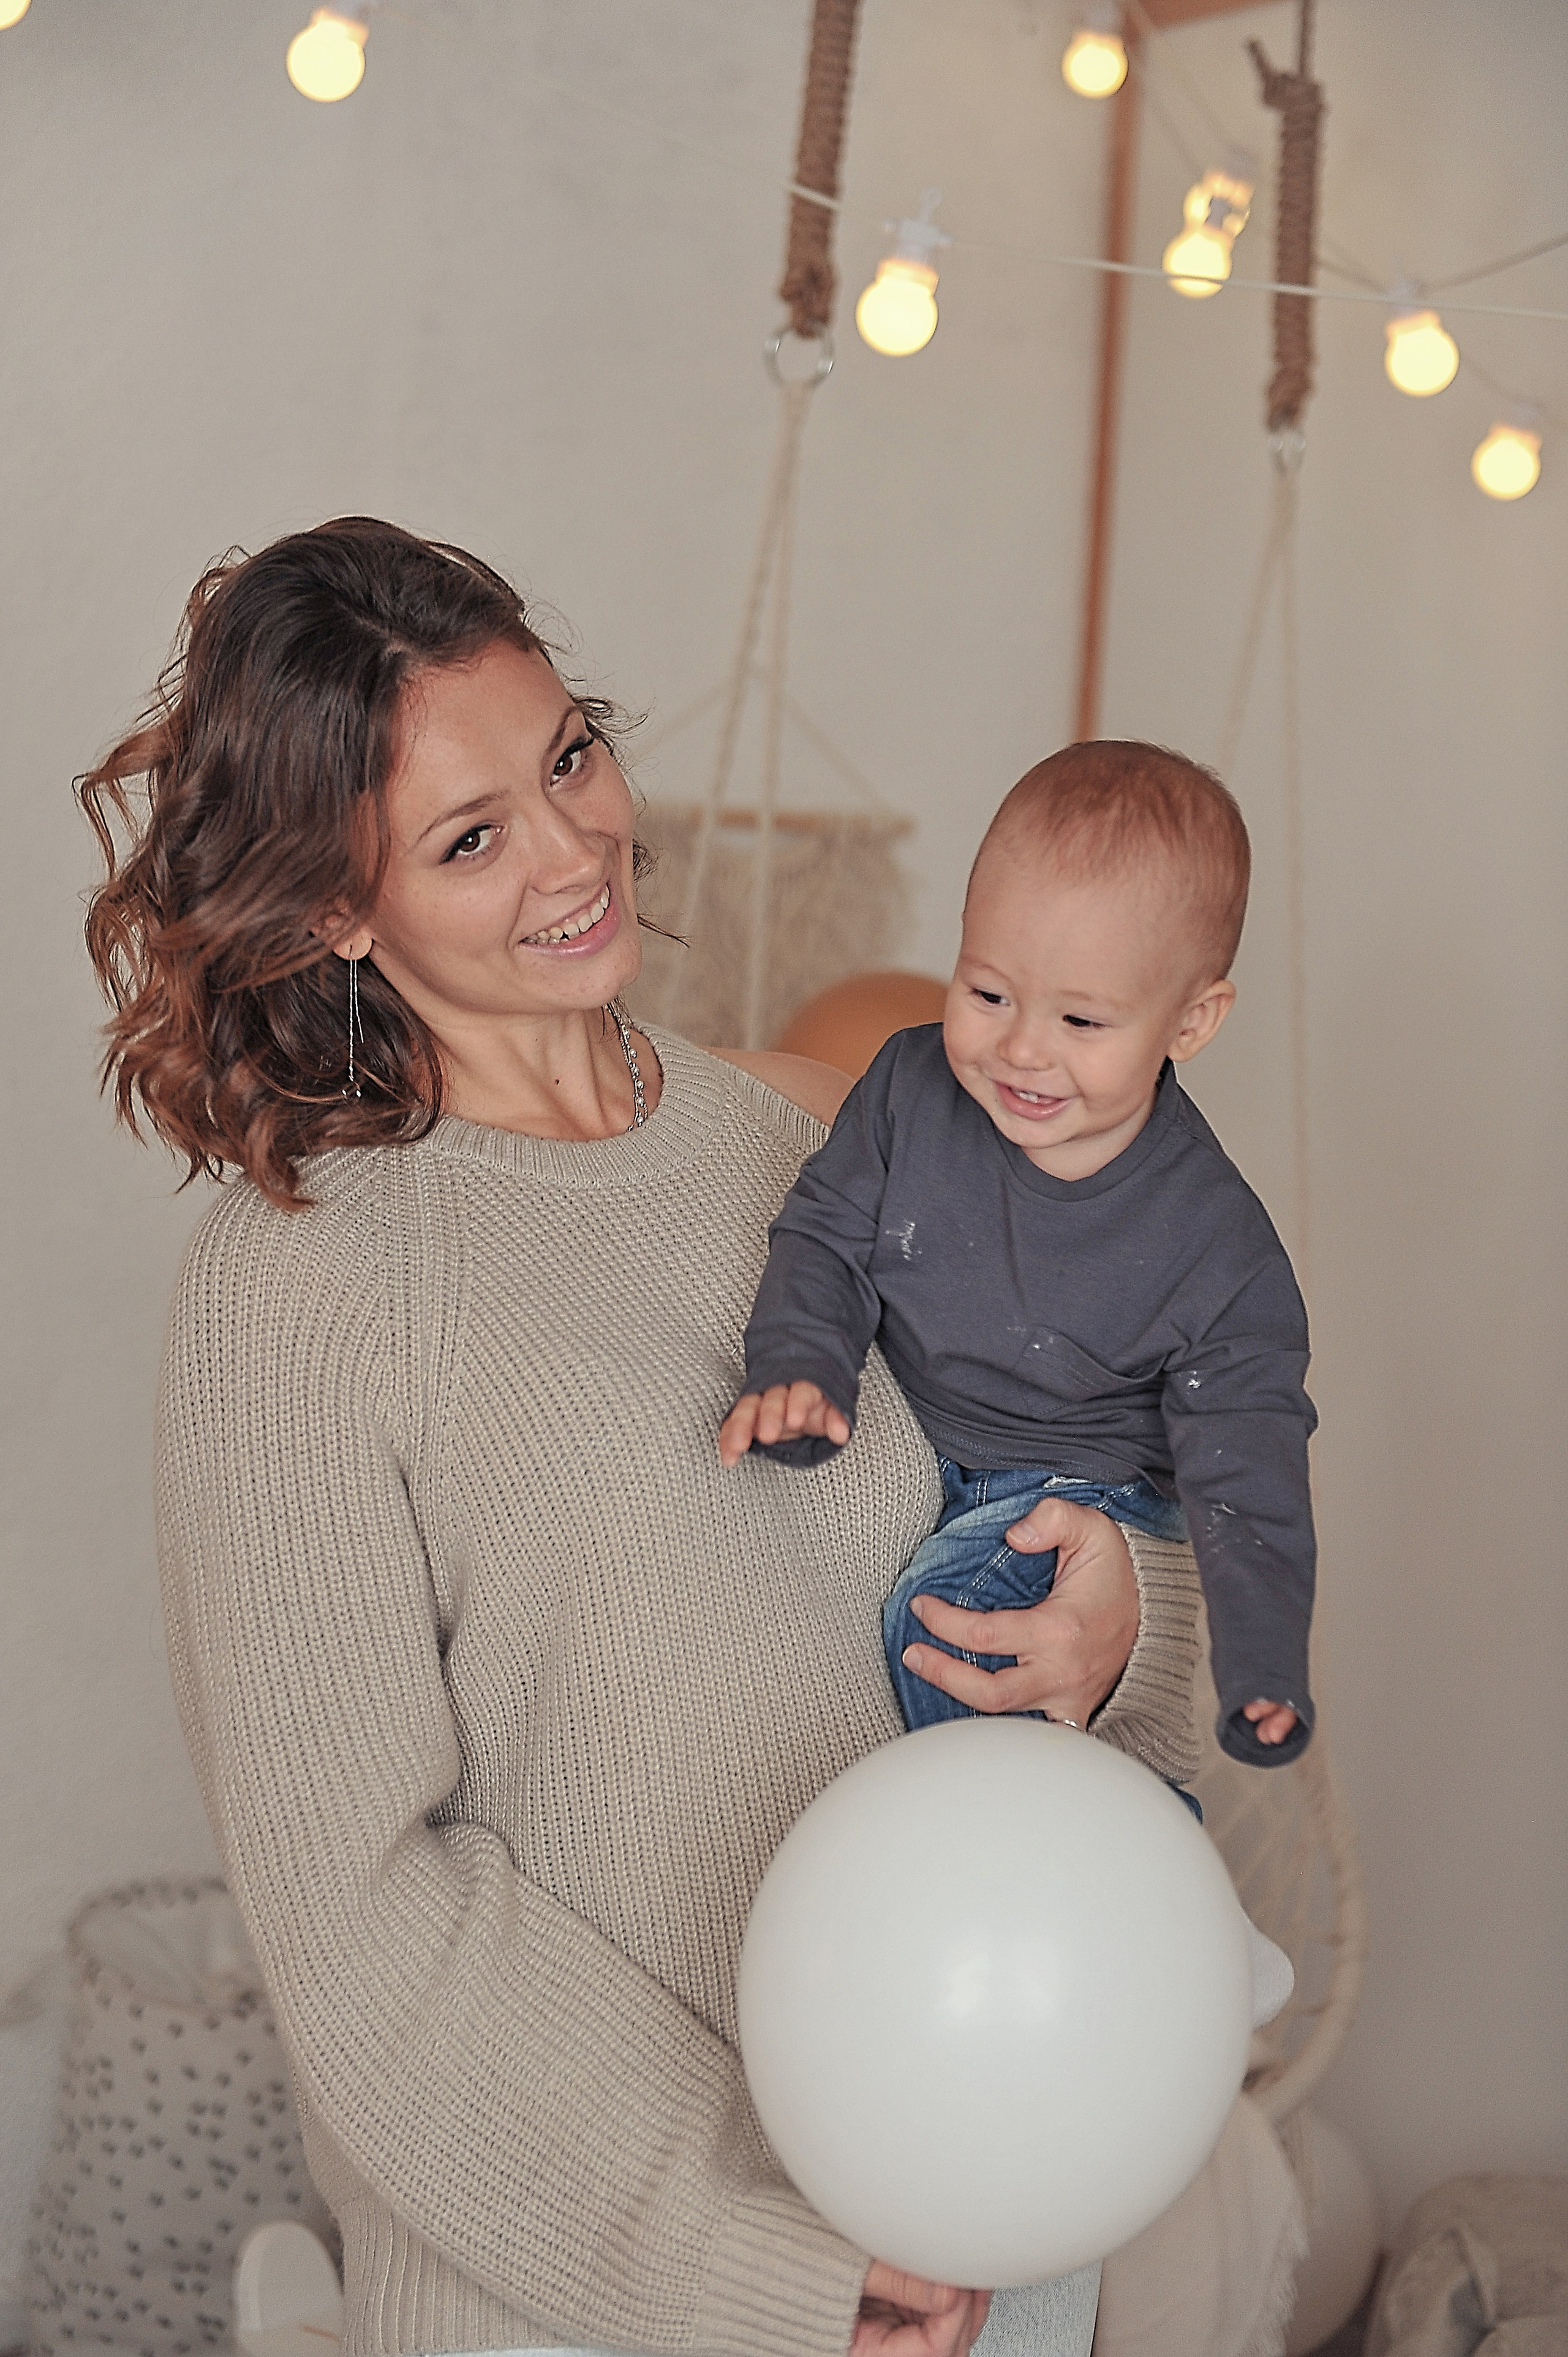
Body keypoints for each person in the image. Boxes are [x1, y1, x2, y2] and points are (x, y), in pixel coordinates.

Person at [81, 518, 1205, 2357]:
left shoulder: (829, 1138)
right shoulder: (299, 1293)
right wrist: (761, 2262)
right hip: (613, 2293)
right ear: (337, 911)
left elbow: (1092, 1508)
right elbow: (363, 1916)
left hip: (998, 2208)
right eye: (470, 838)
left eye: (570, 756)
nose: (573, 848)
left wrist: (1128, 1620)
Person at [721, 746, 1316, 1771]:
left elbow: (1249, 1471)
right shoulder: (908, 1090)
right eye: (989, 992)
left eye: (1080, 1019)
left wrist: (1263, 1665)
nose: (1023, 1049)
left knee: (950, 1626)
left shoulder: (1218, 1249)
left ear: (1191, 1021)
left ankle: (1062, 1834)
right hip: (920, 1446)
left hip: (1077, 1488)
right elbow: (824, 1235)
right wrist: (802, 1367)